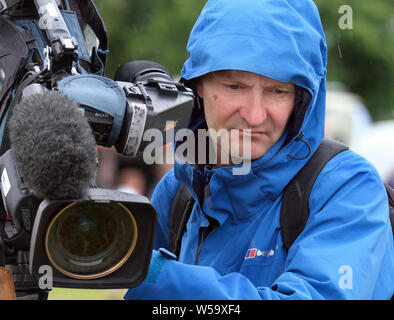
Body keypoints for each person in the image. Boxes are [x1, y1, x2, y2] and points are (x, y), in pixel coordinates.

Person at [124, 0, 394, 299]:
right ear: (197, 85)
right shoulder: (177, 192)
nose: (254, 116)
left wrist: (155, 275)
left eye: (278, 91)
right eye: (234, 87)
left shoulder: (347, 187)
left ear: (303, 100)